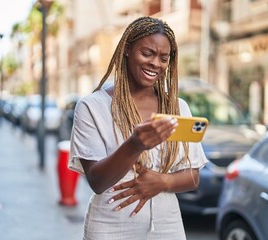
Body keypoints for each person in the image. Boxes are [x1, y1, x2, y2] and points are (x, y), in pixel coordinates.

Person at [69, 16, 208, 239]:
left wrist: (163, 181)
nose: (156, 63)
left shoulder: (177, 107)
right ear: (127, 49)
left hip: (167, 226)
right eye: (147, 53)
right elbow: (97, 181)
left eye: (164, 58)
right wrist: (135, 144)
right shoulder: (92, 106)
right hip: (110, 226)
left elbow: (193, 177)